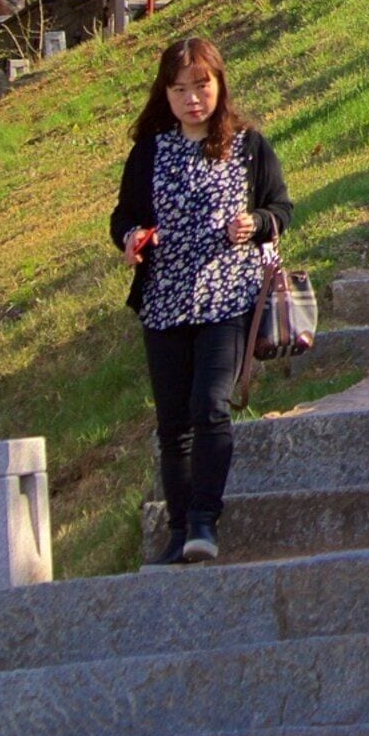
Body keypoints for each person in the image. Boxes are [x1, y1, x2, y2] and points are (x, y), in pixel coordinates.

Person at [109, 38, 288, 565]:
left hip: (229, 299)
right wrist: (131, 238)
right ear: (165, 94)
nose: (192, 98)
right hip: (164, 304)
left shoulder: (249, 144)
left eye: (202, 86)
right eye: (180, 88)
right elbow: (124, 216)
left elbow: (281, 206)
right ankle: (179, 528)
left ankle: (206, 520)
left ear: (219, 85)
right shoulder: (149, 151)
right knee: (172, 425)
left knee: (209, 405)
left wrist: (256, 223)